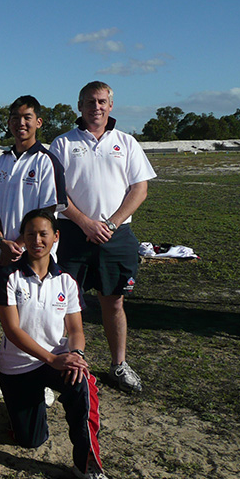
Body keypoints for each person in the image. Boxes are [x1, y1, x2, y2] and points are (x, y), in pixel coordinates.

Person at [0, 209, 113, 479]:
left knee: (82, 383)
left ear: (56, 237)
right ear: (22, 237)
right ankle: (17, 408)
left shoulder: (66, 281)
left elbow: (75, 330)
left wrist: (77, 355)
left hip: (55, 361)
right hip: (18, 368)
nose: (37, 239)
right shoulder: (8, 276)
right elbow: (12, 330)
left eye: (43, 233)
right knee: (30, 441)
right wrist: (52, 358)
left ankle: (87, 465)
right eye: (30, 233)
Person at [49, 82, 156, 393]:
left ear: (111, 106)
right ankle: (63, 362)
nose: (96, 107)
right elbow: (56, 192)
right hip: (72, 233)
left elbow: (140, 189)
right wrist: (85, 223)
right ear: (79, 107)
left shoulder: (127, 142)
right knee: (64, 303)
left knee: (114, 301)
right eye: (90, 102)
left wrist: (110, 223)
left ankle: (118, 365)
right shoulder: (63, 143)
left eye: (102, 101)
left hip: (116, 234)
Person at [0, 95, 67, 267]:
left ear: (39, 122)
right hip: (4, 255)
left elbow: (48, 212)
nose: (21, 123)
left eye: (27, 117)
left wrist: (18, 246)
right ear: (9, 123)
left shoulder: (47, 161)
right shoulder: (0, 164)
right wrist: (1, 242)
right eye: (15, 118)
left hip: (36, 258)